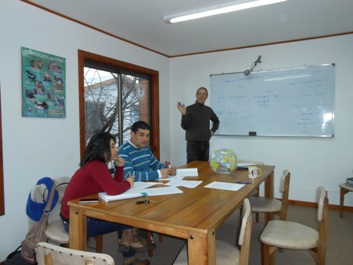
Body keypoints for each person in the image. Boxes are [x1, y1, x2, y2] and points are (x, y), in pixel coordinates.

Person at [60, 132, 150, 265]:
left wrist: (119, 168)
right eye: (113, 146)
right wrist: (129, 183)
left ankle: (128, 244)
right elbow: (114, 190)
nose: (116, 149)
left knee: (124, 217)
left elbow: (112, 186)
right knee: (127, 220)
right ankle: (129, 255)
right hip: (76, 220)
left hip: (83, 213)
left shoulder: (96, 165)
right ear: (103, 149)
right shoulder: (96, 166)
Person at [177, 87, 220, 163]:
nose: (201, 96)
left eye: (204, 94)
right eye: (199, 93)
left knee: (204, 168)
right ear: (196, 95)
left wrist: (213, 130)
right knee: (192, 167)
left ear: (206, 97)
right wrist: (184, 115)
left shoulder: (208, 110)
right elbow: (185, 126)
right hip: (192, 144)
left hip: (205, 143)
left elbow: (216, 121)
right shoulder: (189, 109)